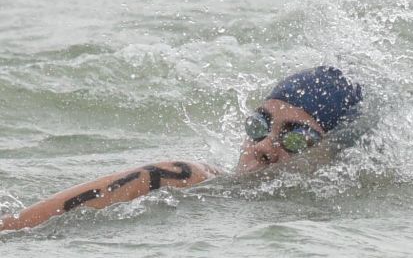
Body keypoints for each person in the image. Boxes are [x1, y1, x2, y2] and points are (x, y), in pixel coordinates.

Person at [0, 66, 362, 231]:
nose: (266, 146)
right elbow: (14, 227)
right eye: (260, 125)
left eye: (296, 137)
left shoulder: (343, 221)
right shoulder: (187, 177)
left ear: (332, 154)